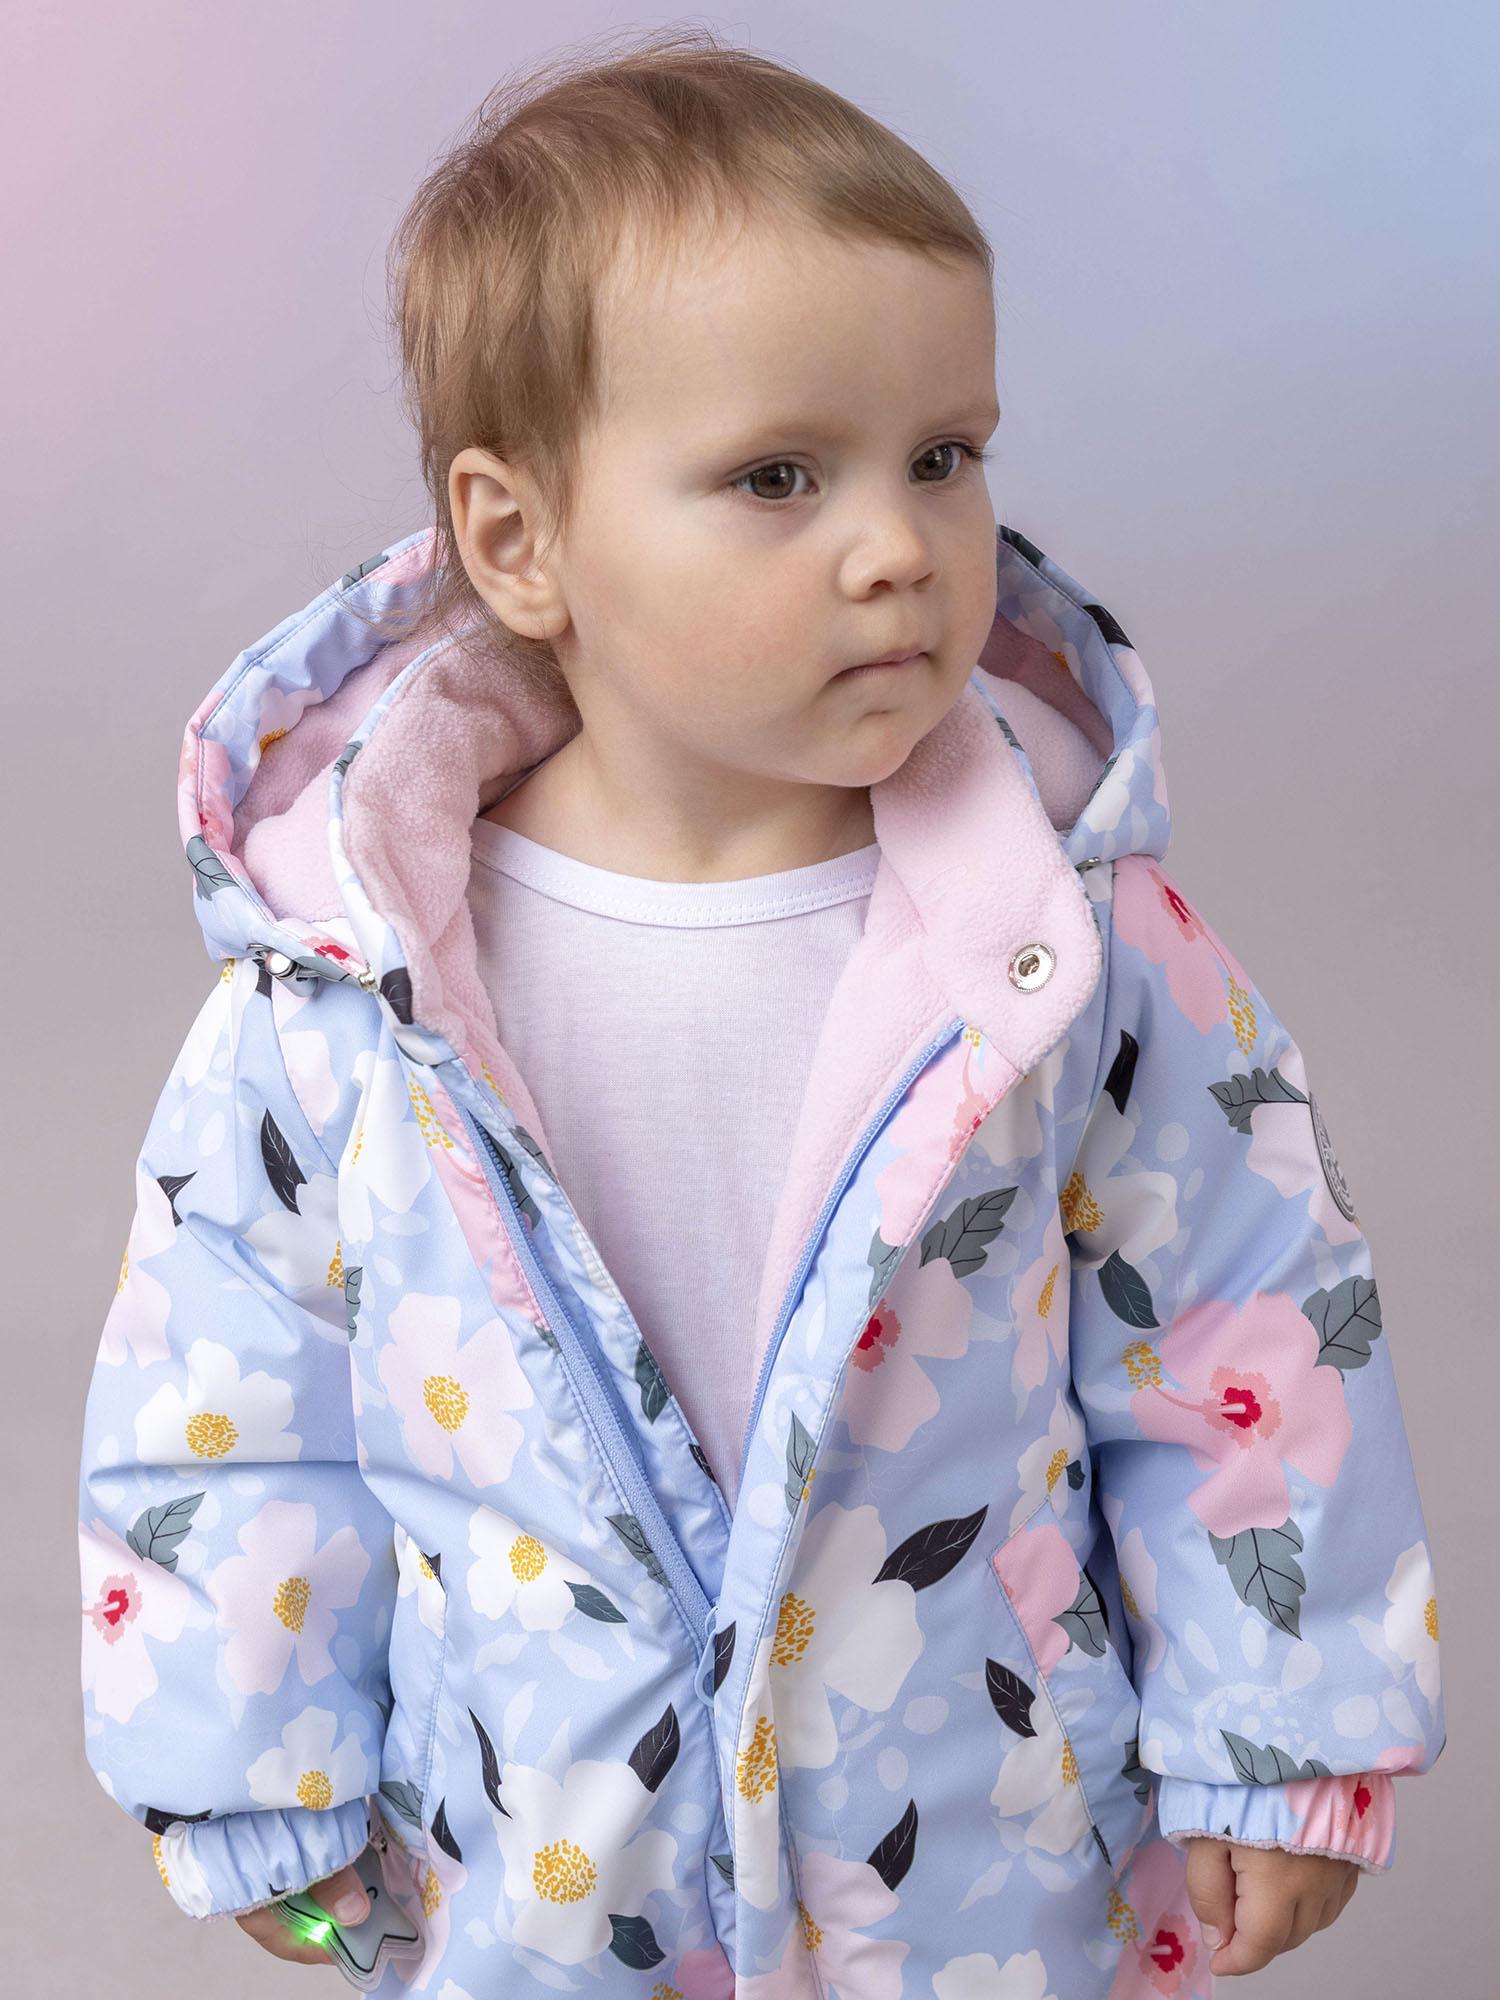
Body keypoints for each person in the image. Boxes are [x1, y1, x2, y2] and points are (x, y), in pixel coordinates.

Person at [76, 25, 1444, 1998]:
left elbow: (1246, 1322)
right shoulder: (351, 989)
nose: (898, 548)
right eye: (780, 478)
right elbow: (225, 1401)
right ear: (520, 541)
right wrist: (246, 1768)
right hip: (545, 1864)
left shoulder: (1063, 945)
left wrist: (1280, 1731)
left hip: (973, 1862)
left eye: (943, 457)